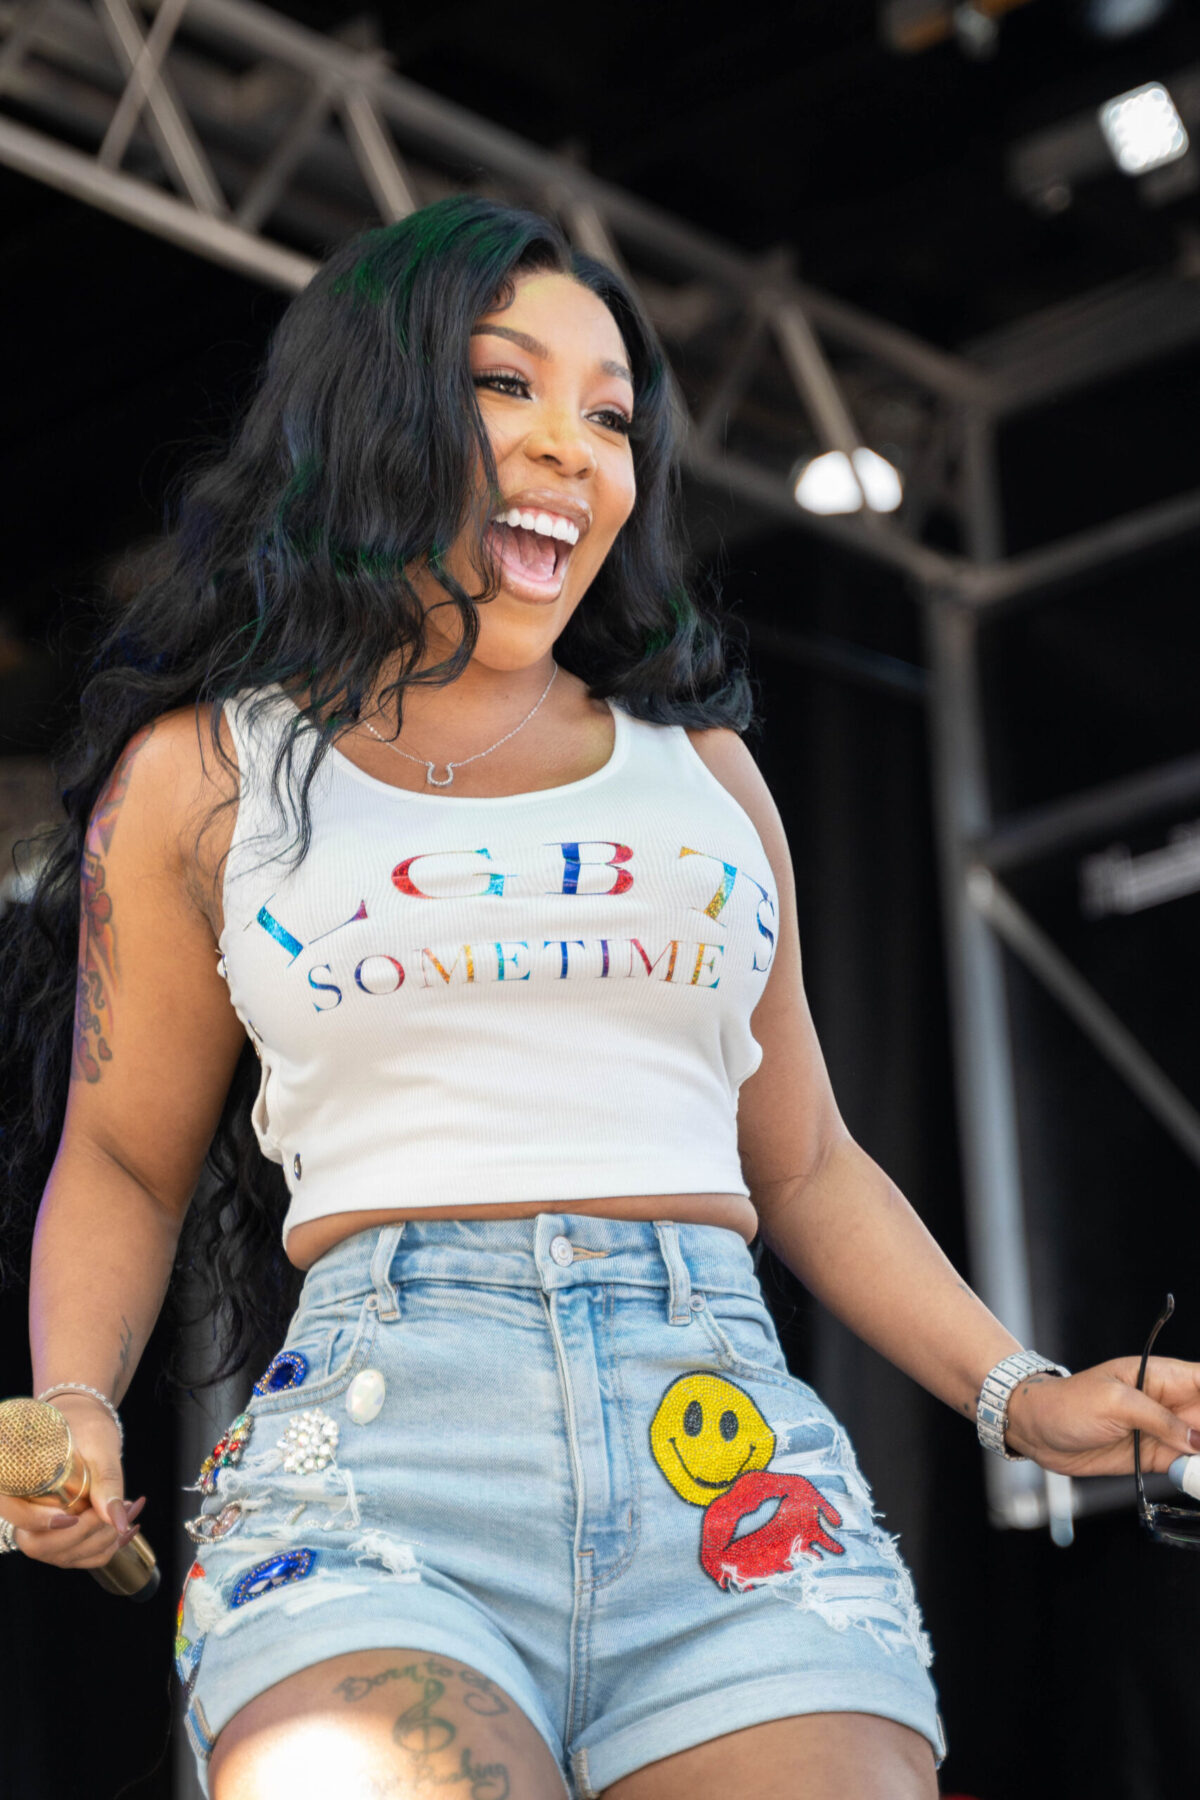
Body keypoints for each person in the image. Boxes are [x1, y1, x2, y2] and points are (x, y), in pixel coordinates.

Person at [3, 196, 1199, 1800]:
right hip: (379, 1467)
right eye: (506, 387)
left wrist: (1022, 1394)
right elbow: (129, 1157)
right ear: (375, 413)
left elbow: (810, 1162)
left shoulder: (700, 776)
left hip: (722, 1458)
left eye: (612, 412)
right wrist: (76, 1398)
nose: (573, 445)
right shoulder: (210, 776)